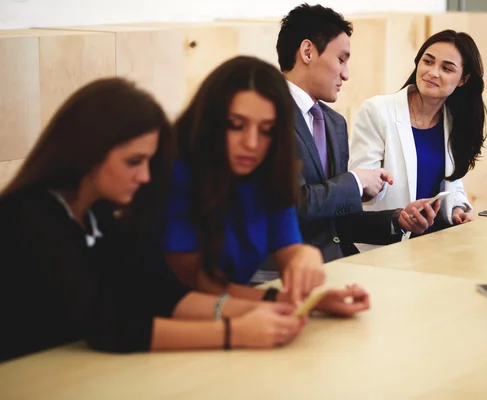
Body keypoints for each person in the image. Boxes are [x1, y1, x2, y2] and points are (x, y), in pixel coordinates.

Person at [0, 78, 305, 363]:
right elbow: (109, 327)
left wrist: (272, 307)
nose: (145, 176)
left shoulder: (99, 214)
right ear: (89, 152)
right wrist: (235, 332)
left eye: (149, 161)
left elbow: (161, 292)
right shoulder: (28, 218)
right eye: (134, 162)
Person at [164, 55, 370, 316]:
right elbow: (197, 287)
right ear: (211, 122)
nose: (251, 143)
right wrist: (288, 303)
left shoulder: (269, 174)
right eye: (236, 125)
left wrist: (306, 266)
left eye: (266, 130)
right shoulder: (177, 174)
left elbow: (288, 252)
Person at [273, 3, 439, 262]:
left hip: (338, 266)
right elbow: (291, 206)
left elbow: (339, 225)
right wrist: (356, 182)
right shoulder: (265, 116)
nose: (346, 74)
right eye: (341, 59)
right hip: (280, 274)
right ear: (307, 52)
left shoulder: (335, 123)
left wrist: (399, 219)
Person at [349, 30, 487, 237]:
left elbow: (453, 183)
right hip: (389, 241)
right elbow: (363, 190)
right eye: (428, 61)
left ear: (463, 80)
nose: (433, 72)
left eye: (447, 68)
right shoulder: (377, 110)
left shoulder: (454, 120)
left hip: (436, 240)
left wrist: (457, 210)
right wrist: (401, 216)